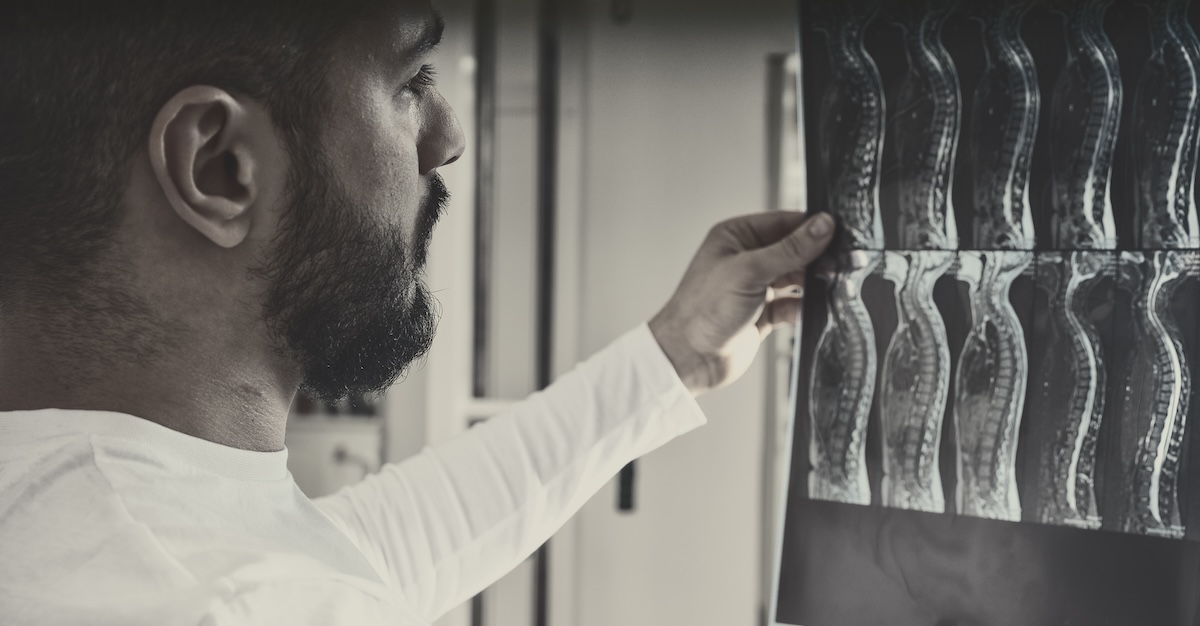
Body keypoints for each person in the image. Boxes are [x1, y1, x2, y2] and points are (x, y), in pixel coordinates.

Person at [0, 1, 834, 624]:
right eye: (409, 82)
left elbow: (372, 545)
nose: (448, 137)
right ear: (220, 168)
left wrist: (672, 357)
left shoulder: (73, 506)